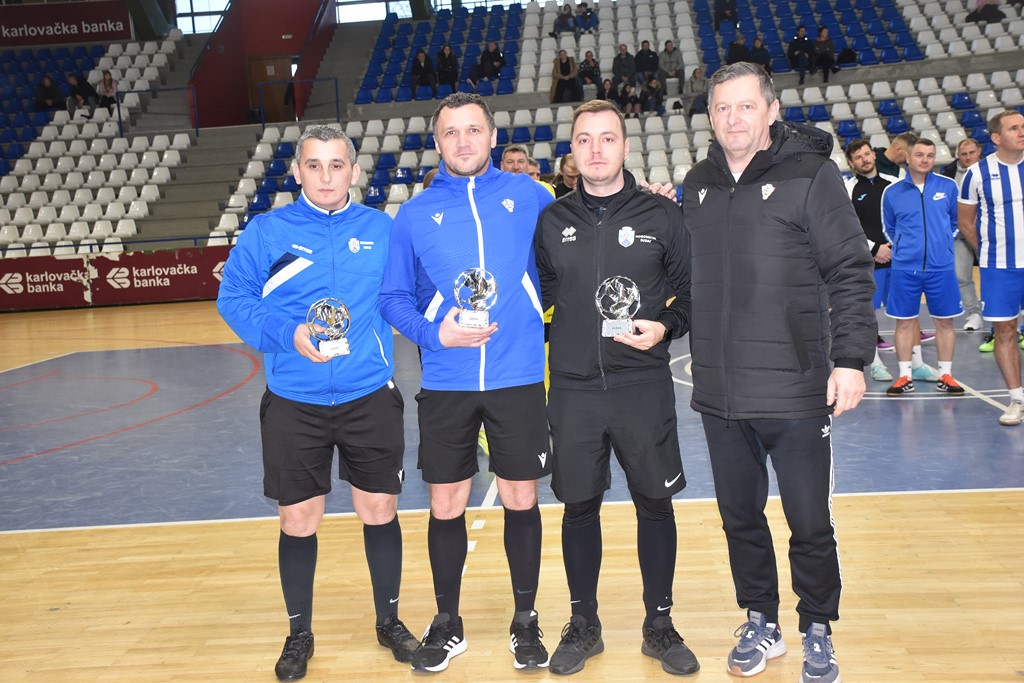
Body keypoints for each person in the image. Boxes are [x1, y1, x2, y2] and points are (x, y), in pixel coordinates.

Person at [681, 63, 876, 683]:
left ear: (771, 110)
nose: (732, 118)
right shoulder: (698, 183)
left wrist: (850, 359)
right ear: (709, 117)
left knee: (809, 521)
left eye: (745, 106)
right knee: (740, 518)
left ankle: (817, 625)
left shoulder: (811, 175)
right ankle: (760, 619)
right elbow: (685, 276)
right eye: (721, 108)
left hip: (795, 387)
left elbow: (850, 270)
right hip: (720, 391)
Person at [216, 125, 418, 682]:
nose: (326, 176)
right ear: (297, 171)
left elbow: (409, 296)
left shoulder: (383, 231)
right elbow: (233, 298)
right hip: (294, 400)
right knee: (299, 518)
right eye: (314, 165)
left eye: (336, 165)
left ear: (354, 170)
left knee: (379, 510)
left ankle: (389, 621)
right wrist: (286, 332)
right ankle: (298, 632)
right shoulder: (268, 232)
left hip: (368, 394)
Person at [379, 92, 554, 673]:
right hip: (447, 379)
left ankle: (525, 620)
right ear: (437, 142)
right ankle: (447, 620)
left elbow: (573, 256)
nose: (462, 141)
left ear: (492, 137)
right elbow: (392, 298)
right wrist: (435, 334)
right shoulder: (413, 215)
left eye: (473, 130)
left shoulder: (532, 196)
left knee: (520, 496)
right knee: (446, 501)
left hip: (517, 375)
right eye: (451, 132)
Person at [534, 98, 698, 678]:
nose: (596, 149)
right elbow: (541, 295)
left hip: (641, 384)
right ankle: (584, 624)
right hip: (574, 388)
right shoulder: (551, 221)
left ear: (626, 146)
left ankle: (659, 625)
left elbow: (692, 294)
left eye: (607, 138)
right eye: (584, 140)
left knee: (655, 503)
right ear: (572, 151)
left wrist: (666, 327)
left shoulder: (662, 215)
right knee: (578, 506)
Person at [845, 140, 940, 385]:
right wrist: (874, 248)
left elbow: (910, 220)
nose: (865, 159)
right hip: (868, 262)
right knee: (868, 315)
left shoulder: (895, 183)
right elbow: (847, 227)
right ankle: (875, 365)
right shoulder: (847, 189)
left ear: (874, 155)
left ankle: (916, 365)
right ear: (851, 163)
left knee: (908, 314)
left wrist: (896, 248)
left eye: (867, 153)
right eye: (858, 157)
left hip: (899, 260)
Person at [881, 138, 964, 396]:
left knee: (945, 322)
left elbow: (956, 222)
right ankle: (904, 376)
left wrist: (943, 244)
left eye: (930, 155)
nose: (925, 159)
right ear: (907, 158)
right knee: (904, 323)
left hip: (941, 267)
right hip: (905, 269)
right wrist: (905, 249)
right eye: (919, 154)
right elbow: (889, 228)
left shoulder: (948, 186)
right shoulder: (892, 192)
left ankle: (945, 374)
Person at [958, 110, 1024, 425]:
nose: (1022, 131)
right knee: (1005, 331)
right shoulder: (976, 173)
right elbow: (965, 222)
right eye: (1014, 128)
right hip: (999, 267)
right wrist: (986, 252)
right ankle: (1017, 399)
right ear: (996, 137)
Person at [940, 138, 984, 331]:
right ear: (958, 155)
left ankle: (1003, 313)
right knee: (960, 275)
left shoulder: (989, 170)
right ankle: (974, 314)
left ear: (979, 152)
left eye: (971, 153)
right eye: (963, 154)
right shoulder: (947, 174)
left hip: (986, 232)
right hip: (959, 233)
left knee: (993, 274)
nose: (967, 157)